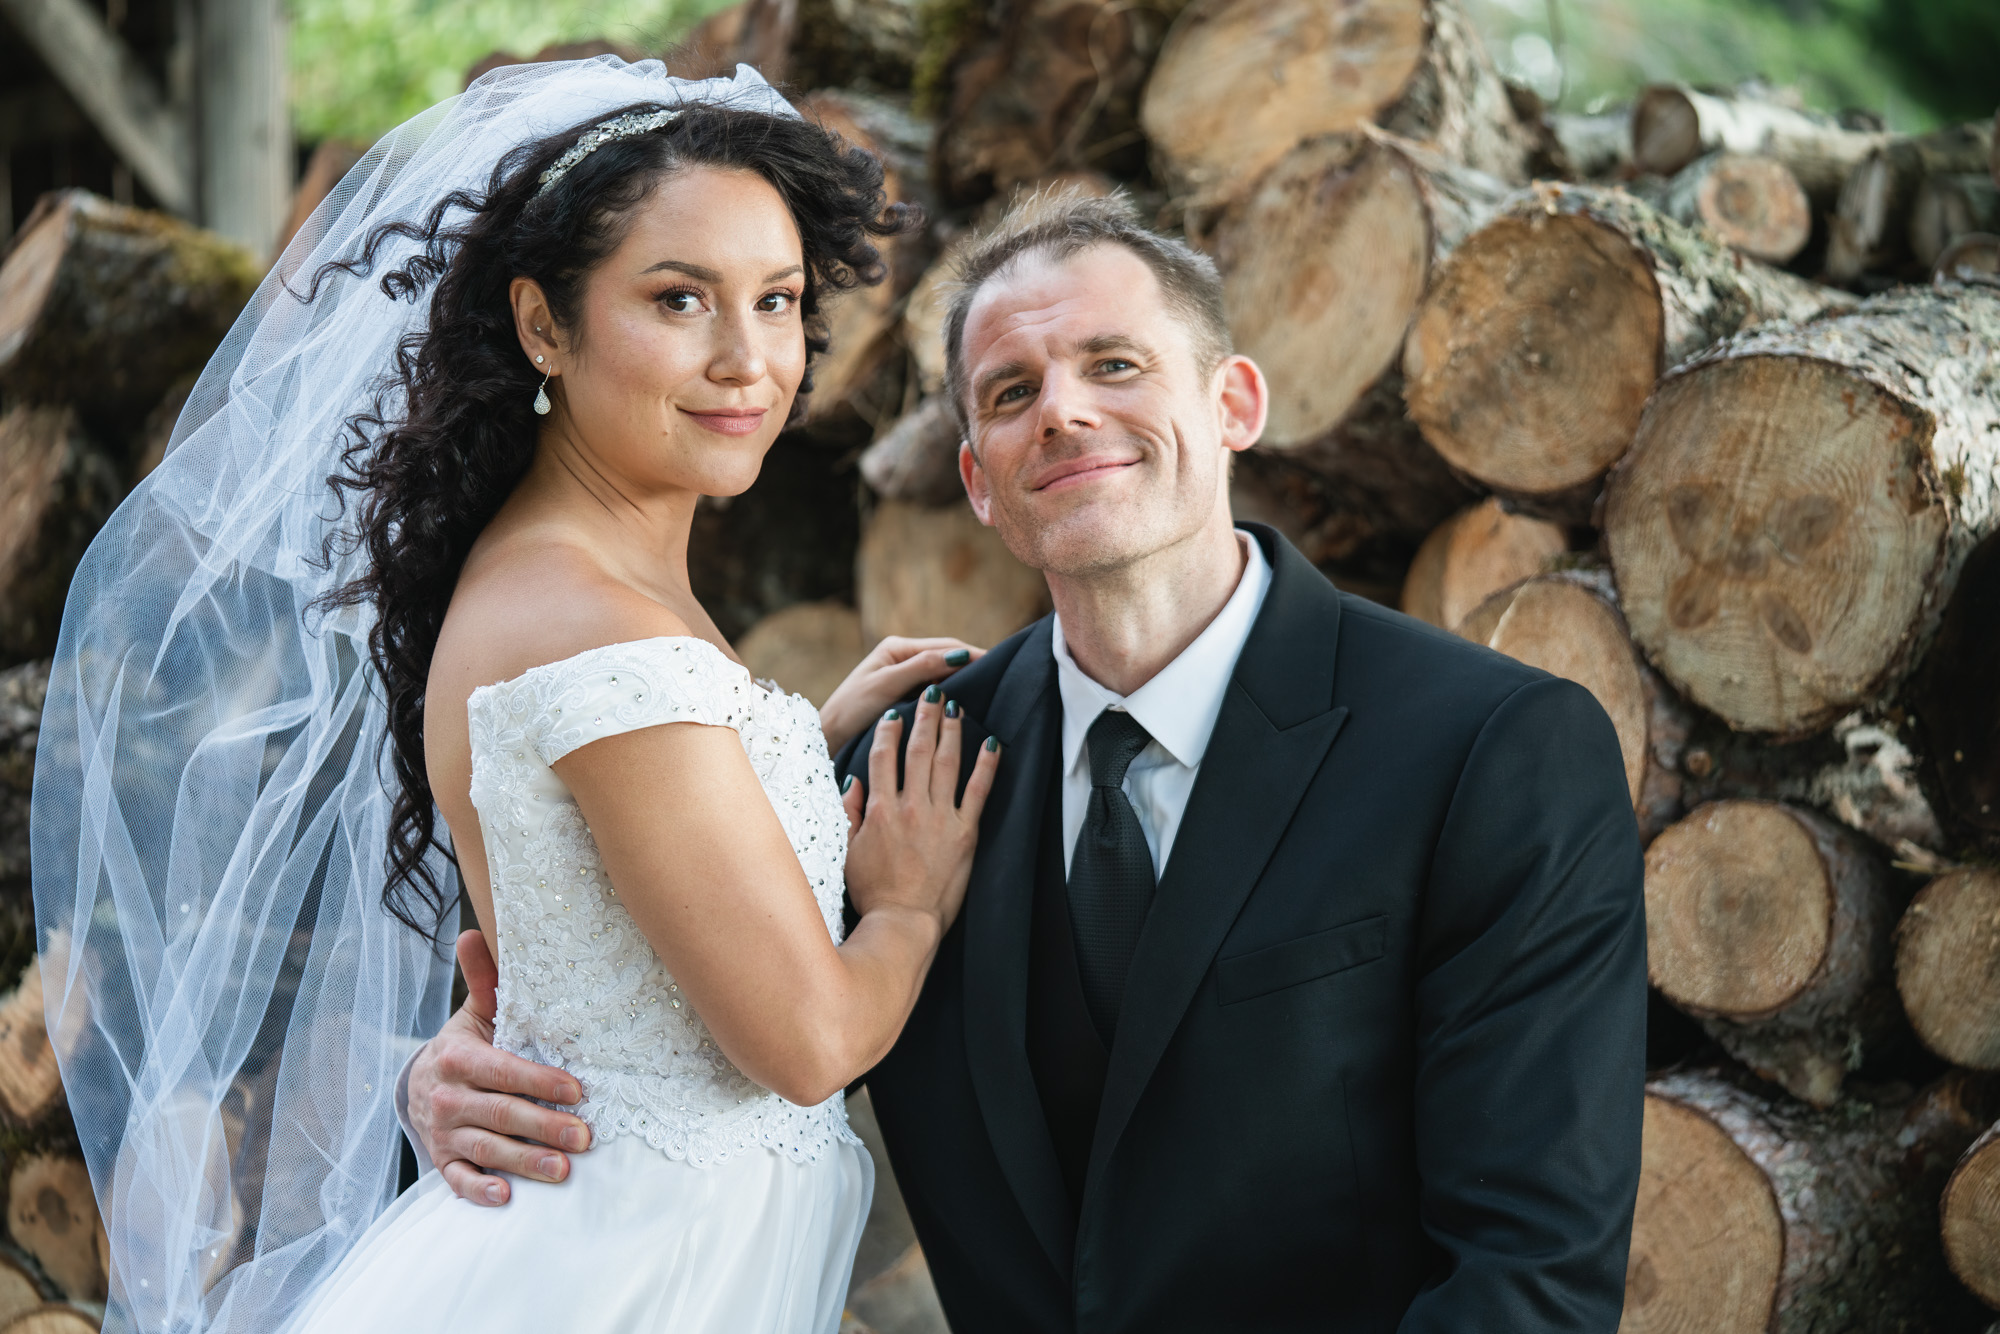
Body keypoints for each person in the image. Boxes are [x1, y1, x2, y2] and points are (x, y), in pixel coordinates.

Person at [406, 189, 1651, 1331]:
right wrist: (448, 1076)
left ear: (1233, 406)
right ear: (978, 483)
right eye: (1008, 393)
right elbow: (673, 1013)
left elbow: (1528, 1274)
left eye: (1114, 364)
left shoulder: (1489, 753)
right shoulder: (911, 769)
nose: (1062, 408)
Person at [33, 59, 1001, 1334]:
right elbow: (810, 1040)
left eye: (775, 301)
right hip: (616, 1269)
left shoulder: (569, 578)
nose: (746, 358)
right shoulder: (594, 624)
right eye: (678, 299)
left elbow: (627, 854)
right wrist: (913, 910)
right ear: (543, 323)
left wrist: (785, 744)